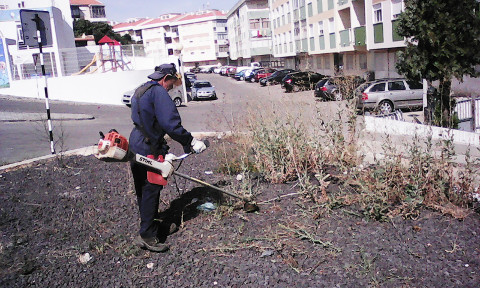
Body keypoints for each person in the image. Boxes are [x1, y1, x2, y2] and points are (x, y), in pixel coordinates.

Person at [129, 63, 207, 252]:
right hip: (148, 146)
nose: (173, 87)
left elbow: (148, 121)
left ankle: (152, 226)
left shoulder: (141, 89)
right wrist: (190, 141)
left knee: (142, 187)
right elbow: (170, 124)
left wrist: (163, 148)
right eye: (172, 82)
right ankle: (147, 235)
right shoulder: (159, 92)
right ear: (165, 79)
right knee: (151, 189)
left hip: (136, 142)